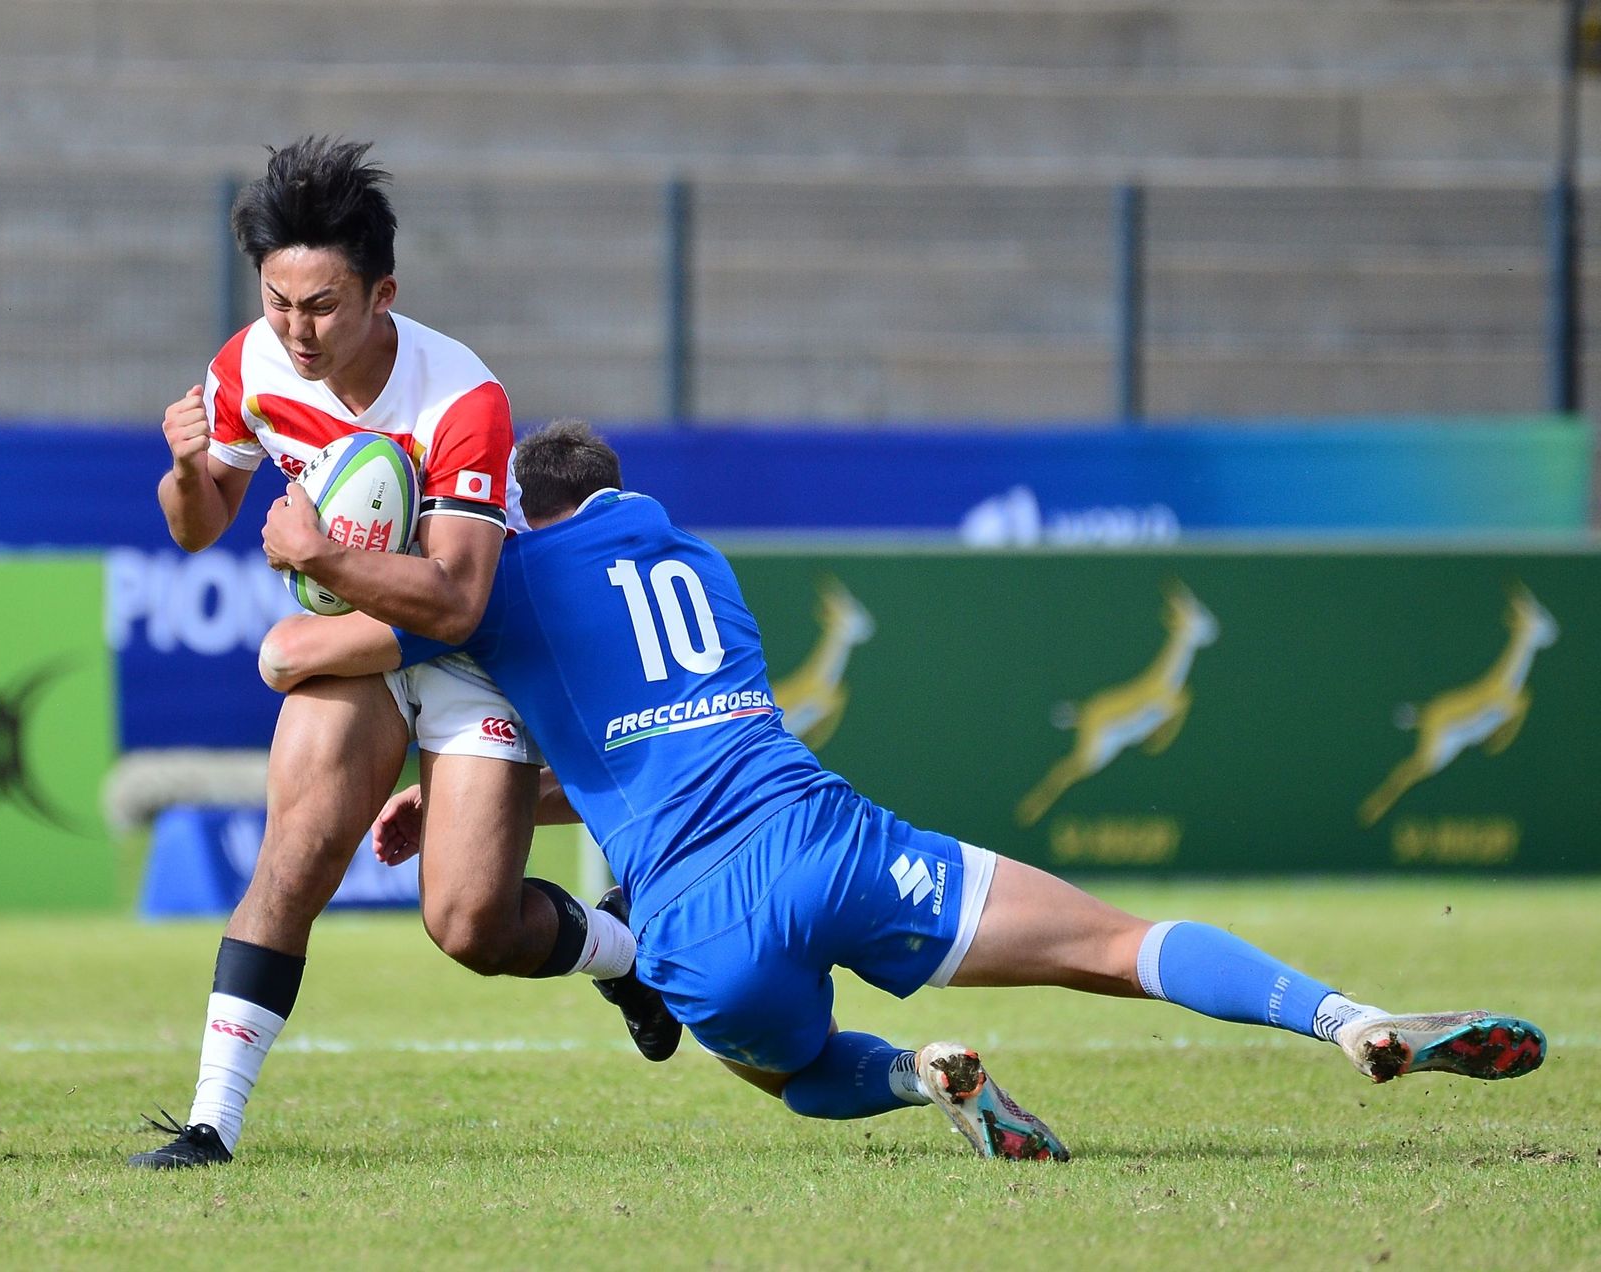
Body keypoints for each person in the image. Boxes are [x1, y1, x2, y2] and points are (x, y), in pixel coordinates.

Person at [260, 420, 1548, 1162]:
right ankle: (1346, 1020)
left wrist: (337, 561)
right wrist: (517, 799)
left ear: (518, 520)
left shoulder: (501, 588)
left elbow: (294, 650)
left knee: (794, 1066)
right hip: (832, 844)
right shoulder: (695, 560)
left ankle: (922, 1076)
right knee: (1118, 944)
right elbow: (678, 737)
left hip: (696, 923)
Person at [132, 141, 671, 1171]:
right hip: (369, 649)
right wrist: (190, 465)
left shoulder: (461, 397)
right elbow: (196, 527)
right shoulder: (250, 363)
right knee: (292, 859)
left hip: (474, 654)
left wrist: (320, 564)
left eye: (324, 305)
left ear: (384, 291)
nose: (297, 330)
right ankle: (210, 1125)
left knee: (472, 926)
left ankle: (628, 956)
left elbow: (462, 602)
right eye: (279, 301)